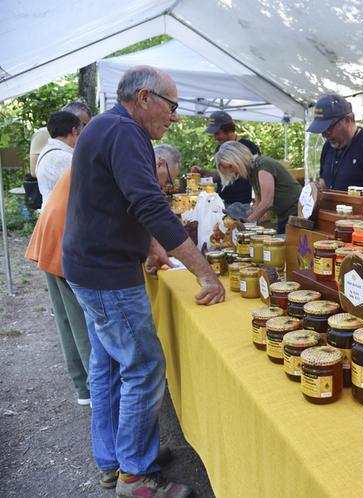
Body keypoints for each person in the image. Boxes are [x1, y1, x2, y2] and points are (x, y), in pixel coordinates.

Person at [62, 65, 224, 498]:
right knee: (143, 364)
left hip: (88, 265)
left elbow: (116, 202)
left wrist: (151, 246)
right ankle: (135, 476)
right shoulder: (125, 132)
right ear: (146, 98)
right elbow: (149, 204)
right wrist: (203, 271)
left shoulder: (105, 127)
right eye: (172, 106)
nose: (175, 116)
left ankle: (115, 460)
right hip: (106, 273)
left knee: (109, 365)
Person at [25, 167, 91, 406]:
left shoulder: (95, 149)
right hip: (64, 239)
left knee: (66, 318)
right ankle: (95, 389)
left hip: (53, 232)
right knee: (79, 321)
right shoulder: (120, 152)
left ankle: (83, 388)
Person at [306, 94, 363, 233]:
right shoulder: (328, 147)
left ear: (347, 120)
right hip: (331, 228)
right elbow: (323, 183)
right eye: (322, 130)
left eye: (328, 128)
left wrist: (356, 210)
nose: (324, 134)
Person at [215, 141, 301, 234]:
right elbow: (258, 203)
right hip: (285, 216)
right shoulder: (252, 172)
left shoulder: (263, 165)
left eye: (230, 166)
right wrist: (240, 218)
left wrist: (245, 224)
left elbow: (267, 203)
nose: (231, 171)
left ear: (237, 159)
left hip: (297, 214)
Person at [29, 100, 91, 177]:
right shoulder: (43, 134)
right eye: (83, 125)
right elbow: (34, 171)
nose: (86, 130)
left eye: (88, 126)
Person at [35, 111, 81, 208]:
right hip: (62, 216)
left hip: (48, 212)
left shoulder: (45, 152)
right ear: (74, 131)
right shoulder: (65, 158)